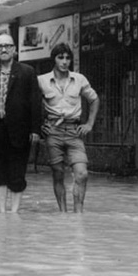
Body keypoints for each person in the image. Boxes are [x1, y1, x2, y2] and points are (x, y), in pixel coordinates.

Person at [0, 34, 42, 213]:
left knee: (17, 171)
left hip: (19, 130)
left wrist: (35, 129)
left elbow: (35, 102)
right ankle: (1, 211)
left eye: (8, 46)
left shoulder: (27, 72)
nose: (4, 49)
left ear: (14, 49)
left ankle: (14, 212)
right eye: (0, 47)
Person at [38, 43, 99, 212]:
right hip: (53, 131)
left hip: (74, 131)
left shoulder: (79, 79)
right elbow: (31, 104)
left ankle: (78, 213)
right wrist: (39, 126)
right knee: (58, 173)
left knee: (82, 173)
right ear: (54, 59)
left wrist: (89, 124)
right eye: (60, 58)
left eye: (67, 58)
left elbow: (94, 99)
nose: (65, 62)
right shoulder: (42, 80)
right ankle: (63, 213)